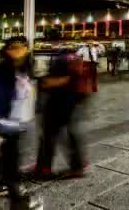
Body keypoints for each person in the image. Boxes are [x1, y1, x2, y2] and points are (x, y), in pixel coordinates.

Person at [0, 36, 40, 208]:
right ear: (7, 50)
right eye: (14, 47)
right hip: (7, 121)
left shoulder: (26, 67)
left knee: (6, 156)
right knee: (12, 159)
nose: (18, 50)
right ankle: (18, 201)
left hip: (21, 120)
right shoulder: (3, 70)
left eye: (22, 46)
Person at [34, 47, 91, 179]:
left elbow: (61, 80)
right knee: (69, 134)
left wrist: (46, 82)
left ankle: (44, 168)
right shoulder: (75, 57)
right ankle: (78, 165)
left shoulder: (60, 59)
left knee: (49, 137)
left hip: (58, 103)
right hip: (70, 102)